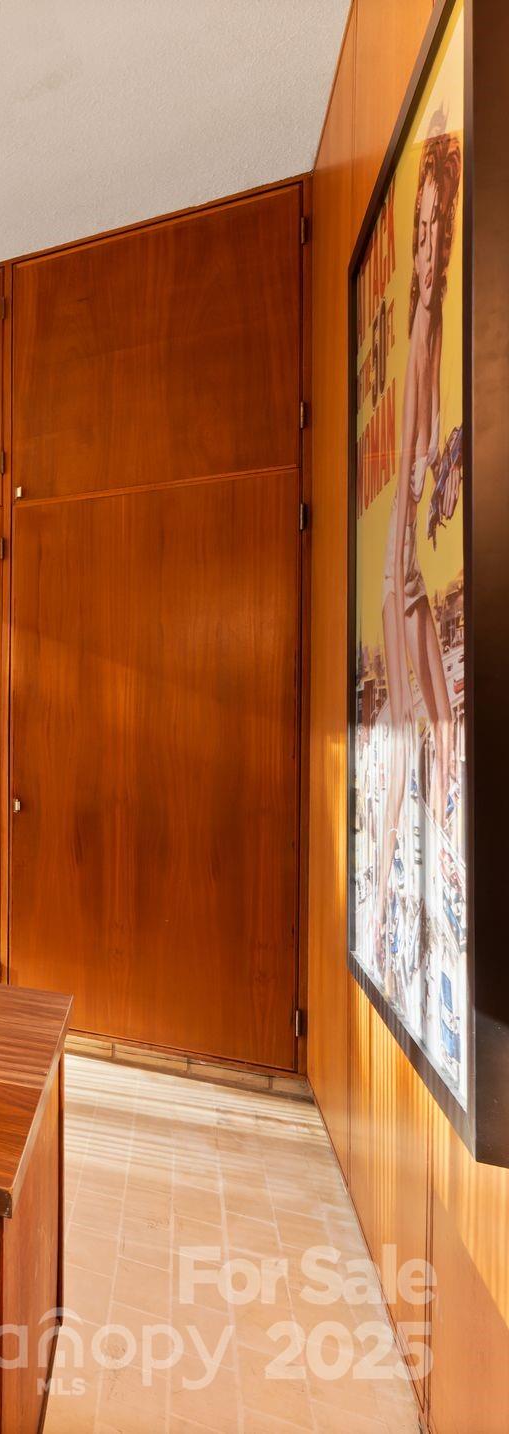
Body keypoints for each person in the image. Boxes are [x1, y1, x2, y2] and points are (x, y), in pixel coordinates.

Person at [369, 111, 463, 966]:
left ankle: (420, 897)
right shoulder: (421, 330)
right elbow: (414, 458)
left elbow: (425, 454)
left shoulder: (433, 325)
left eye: (436, 227)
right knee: (414, 724)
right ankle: (395, 910)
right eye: (421, 228)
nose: (428, 247)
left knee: (430, 722)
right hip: (401, 560)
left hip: (410, 560)